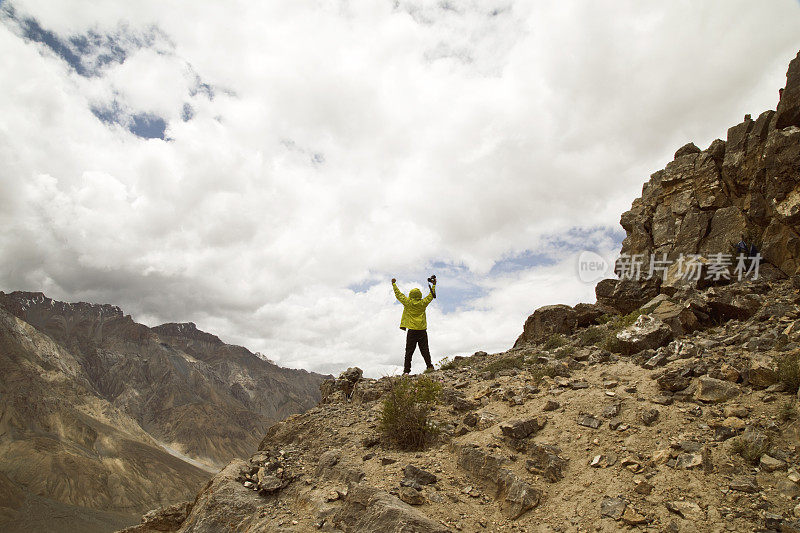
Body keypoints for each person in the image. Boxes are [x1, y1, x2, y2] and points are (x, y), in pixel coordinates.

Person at [391, 278, 436, 374]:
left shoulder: (408, 303)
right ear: (419, 295)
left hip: (412, 331)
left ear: (410, 295)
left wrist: (394, 284)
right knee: (425, 350)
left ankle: (406, 371)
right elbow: (431, 296)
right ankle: (429, 366)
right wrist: (434, 285)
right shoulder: (423, 303)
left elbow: (399, 295)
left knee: (409, 352)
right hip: (422, 330)